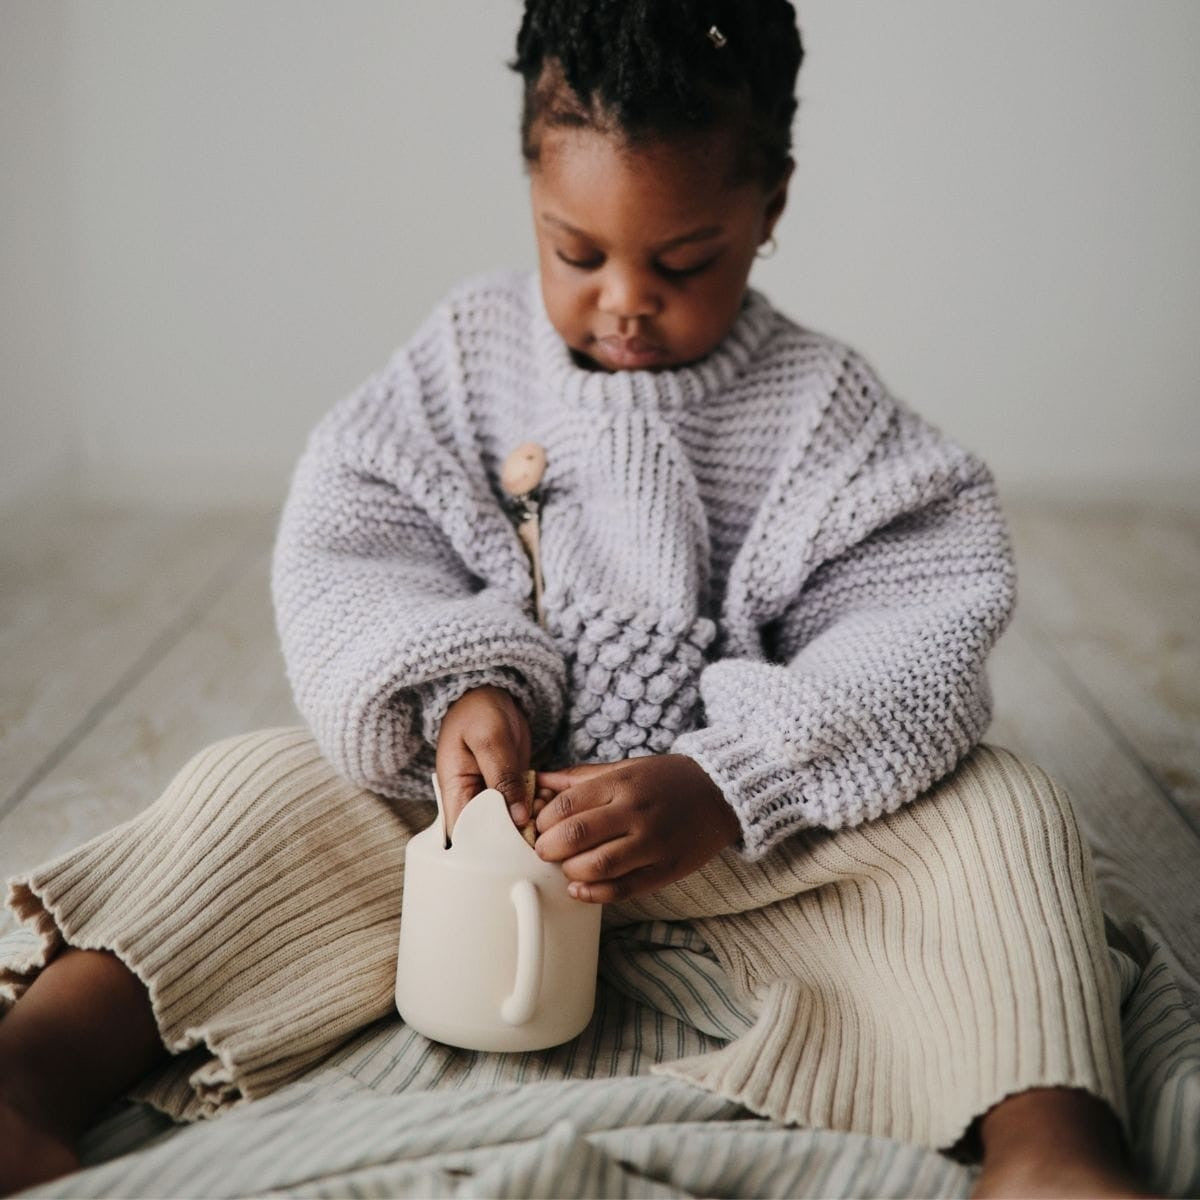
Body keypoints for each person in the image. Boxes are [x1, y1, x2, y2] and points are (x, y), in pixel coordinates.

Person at [0, 2, 1156, 1196]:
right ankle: (28, 1072)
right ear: (531, 199)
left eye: (683, 260)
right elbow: (358, 539)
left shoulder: (825, 411)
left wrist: (727, 779)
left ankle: (1047, 1146)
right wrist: (462, 687)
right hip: (482, 824)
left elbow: (917, 622)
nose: (624, 302)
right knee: (249, 792)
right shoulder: (469, 360)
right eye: (577, 251)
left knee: (1004, 818)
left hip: (752, 841)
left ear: (772, 206)